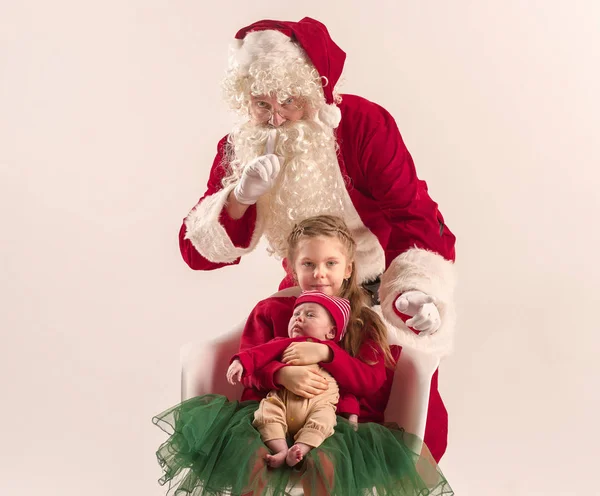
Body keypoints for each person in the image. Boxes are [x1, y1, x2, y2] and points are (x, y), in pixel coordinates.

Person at [179, 17, 457, 461]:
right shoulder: (241, 146)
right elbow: (196, 251)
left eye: (290, 100)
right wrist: (237, 199)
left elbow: (417, 217)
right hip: (307, 292)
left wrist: (412, 292)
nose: (276, 117)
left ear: (315, 90)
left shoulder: (362, 125)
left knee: (407, 433)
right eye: (260, 104)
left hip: (379, 294)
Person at [154, 215, 453, 495]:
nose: (319, 273)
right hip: (266, 412)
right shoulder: (271, 311)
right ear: (292, 268)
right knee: (252, 458)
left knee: (328, 463)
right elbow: (250, 363)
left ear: (348, 268)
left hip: (332, 422)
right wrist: (281, 373)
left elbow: (370, 382)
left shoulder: (364, 322)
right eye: (308, 264)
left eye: (331, 263)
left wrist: (327, 352)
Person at [227, 290, 356, 468]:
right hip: (282, 400)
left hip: (318, 405)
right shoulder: (285, 343)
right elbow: (259, 353)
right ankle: (280, 449)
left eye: (310, 315)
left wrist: (351, 412)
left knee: (325, 419)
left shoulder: (333, 355)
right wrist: (241, 361)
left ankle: (301, 448)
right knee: (267, 412)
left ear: (331, 332)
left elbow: (346, 386)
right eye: (296, 314)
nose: (299, 318)